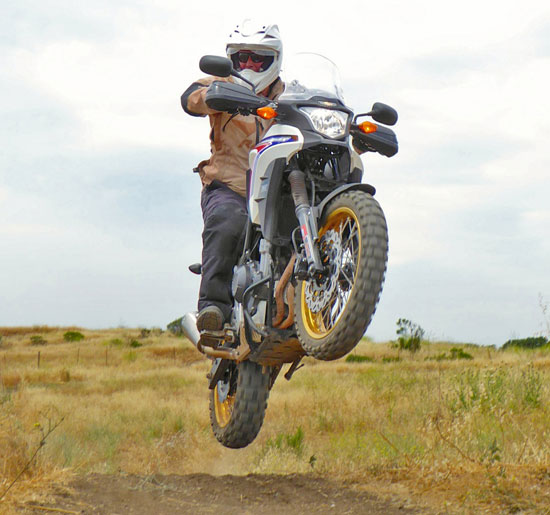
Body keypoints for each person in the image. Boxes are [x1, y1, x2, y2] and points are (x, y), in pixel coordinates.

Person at [181, 20, 284, 339]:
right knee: (228, 221)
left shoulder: (291, 93)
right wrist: (214, 96)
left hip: (277, 196)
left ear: (274, 61)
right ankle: (212, 306)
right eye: (243, 58)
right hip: (230, 188)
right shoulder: (222, 82)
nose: (251, 64)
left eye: (259, 58)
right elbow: (190, 99)